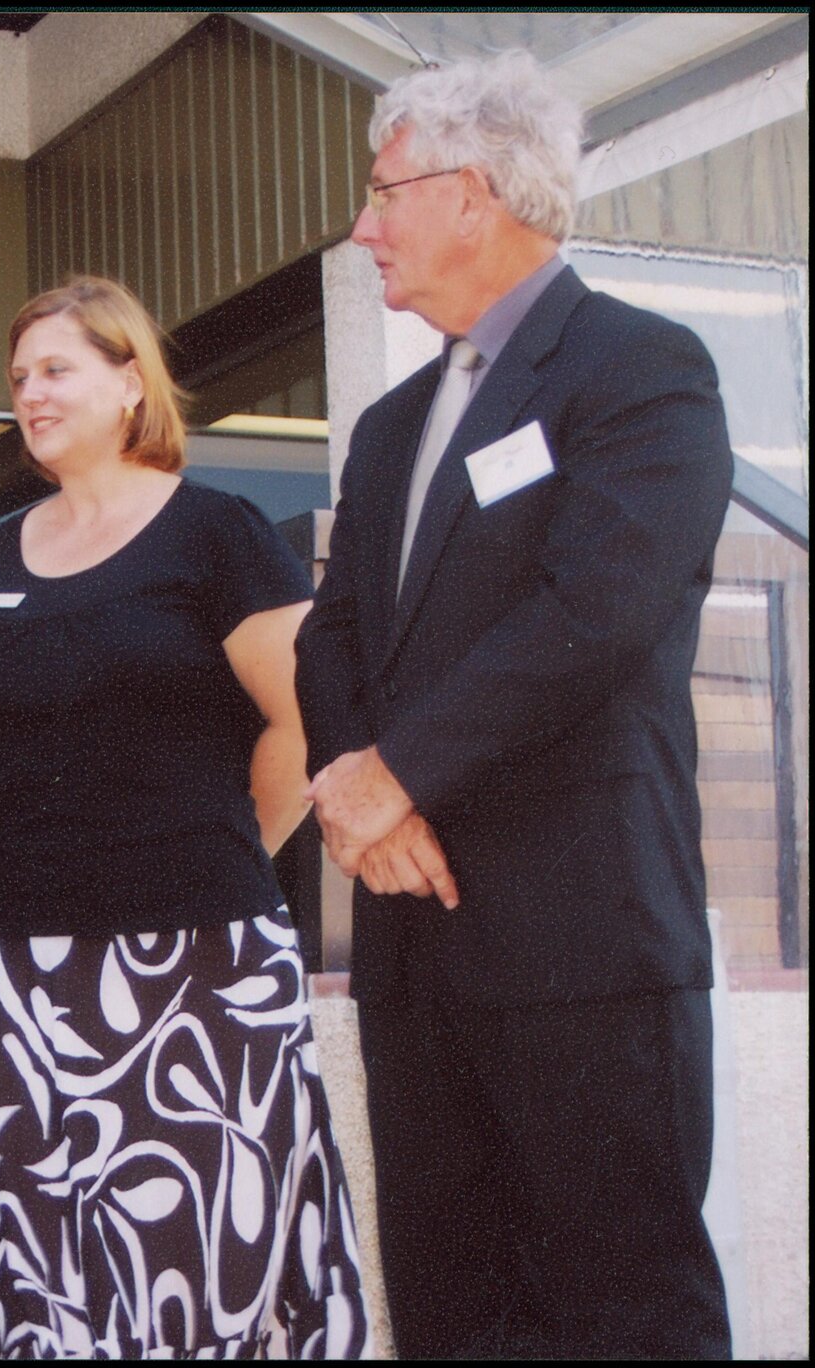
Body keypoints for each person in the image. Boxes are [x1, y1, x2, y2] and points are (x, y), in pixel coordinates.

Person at [294, 52, 734, 1359]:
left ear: (471, 193)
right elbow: (333, 635)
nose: (362, 227)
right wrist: (347, 789)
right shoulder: (386, 428)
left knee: (618, 1310)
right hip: (412, 944)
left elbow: (592, 612)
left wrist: (397, 772)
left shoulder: (640, 370)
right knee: (443, 1308)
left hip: (580, 944)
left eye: (382, 194)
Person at [0, 276, 367, 1358]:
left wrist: (218, 854)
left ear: (129, 380)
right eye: (18, 378)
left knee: (182, 1261)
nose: (30, 395)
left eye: (57, 369)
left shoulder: (216, 531)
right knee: (14, 1259)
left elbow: (302, 717)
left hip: (185, 973)